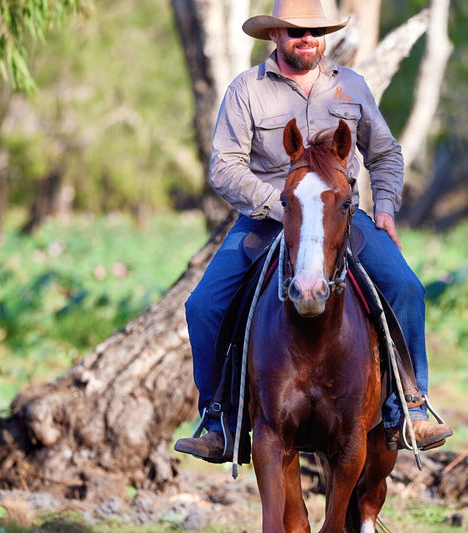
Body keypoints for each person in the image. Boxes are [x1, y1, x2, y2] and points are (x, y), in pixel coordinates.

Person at [174, 0, 452, 462]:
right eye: (296, 31)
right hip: (266, 221)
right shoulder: (247, 90)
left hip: (342, 219)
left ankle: (410, 406)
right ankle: (220, 420)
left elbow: (385, 153)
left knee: (405, 287)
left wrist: (385, 208)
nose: (307, 38)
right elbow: (224, 166)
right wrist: (281, 206)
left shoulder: (351, 86)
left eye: (316, 31)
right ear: (275, 36)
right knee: (203, 305)